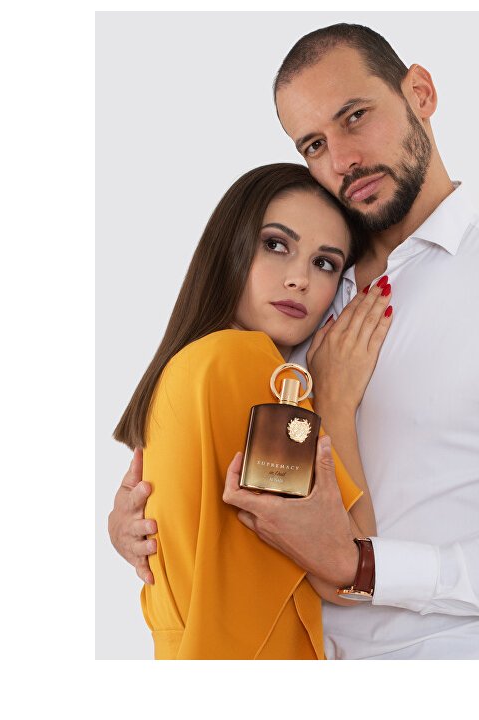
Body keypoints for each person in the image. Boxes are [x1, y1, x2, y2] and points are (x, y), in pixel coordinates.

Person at [110, 24, 479, 659]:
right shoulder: (293, 298)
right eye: (314, 144)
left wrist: (369, 567)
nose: (342, 160)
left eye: (355, 116)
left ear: (420, 92)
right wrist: (138, 521)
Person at [111, 162, 394, 658]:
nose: (299, 279)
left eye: (325, 263)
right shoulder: (243, 362)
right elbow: (346, 571)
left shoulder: (189, 367)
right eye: (276, 245)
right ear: (230, 247)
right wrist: (334, 399)